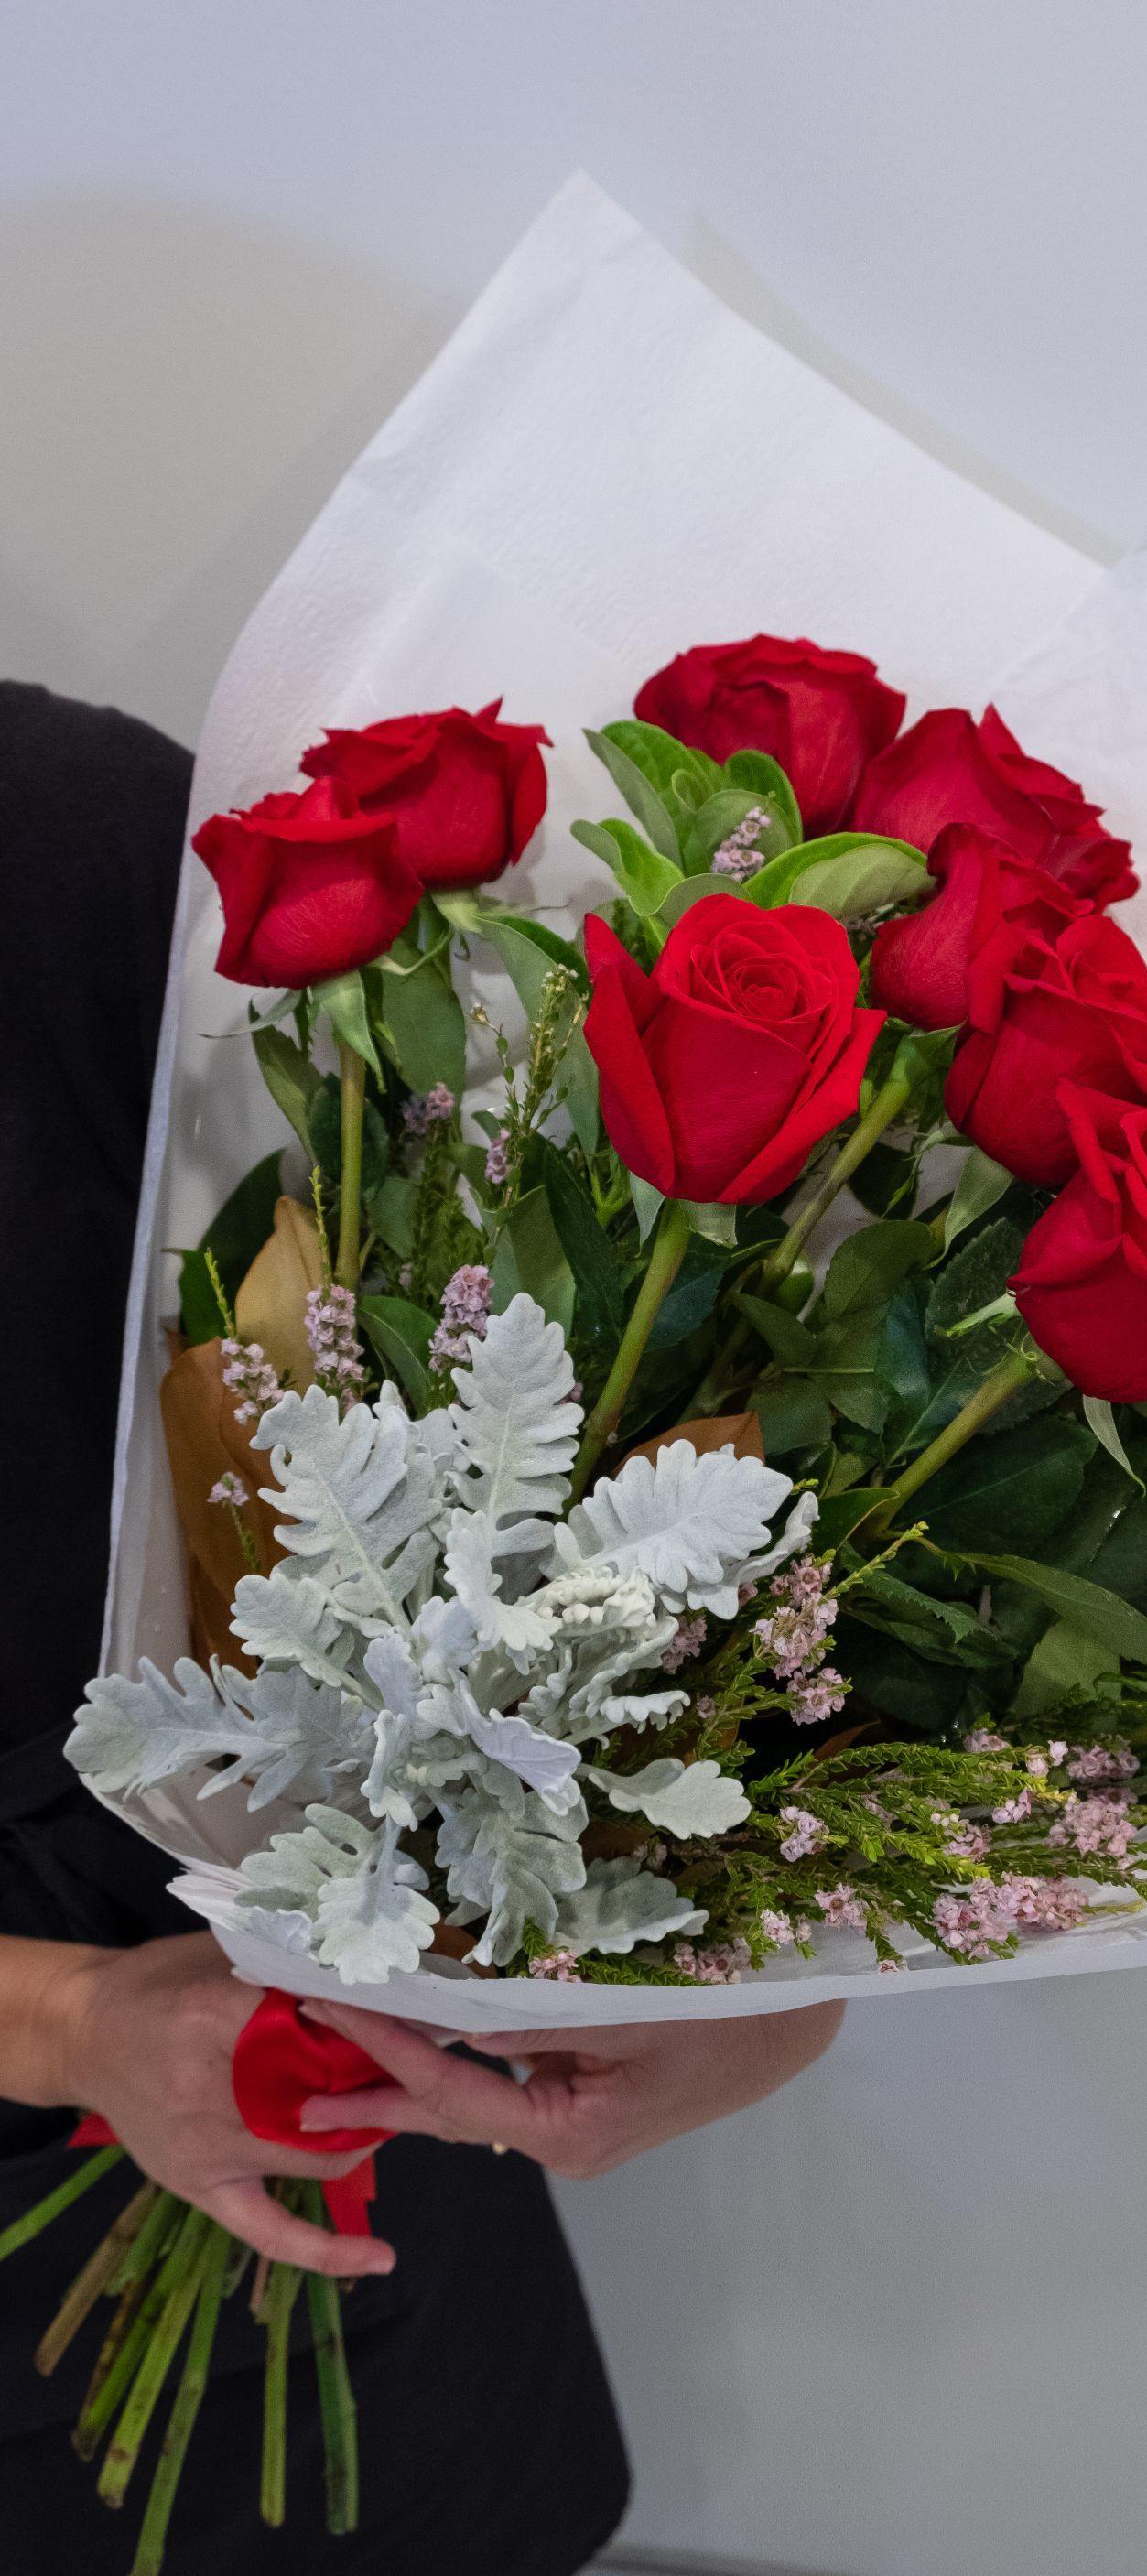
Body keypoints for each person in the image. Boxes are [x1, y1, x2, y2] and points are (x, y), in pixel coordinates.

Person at [0, 682, 842, 2573]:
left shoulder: (71, 844)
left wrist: (743, 1969)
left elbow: (514, 1376)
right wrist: (71, 2023)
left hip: (321, 1988)